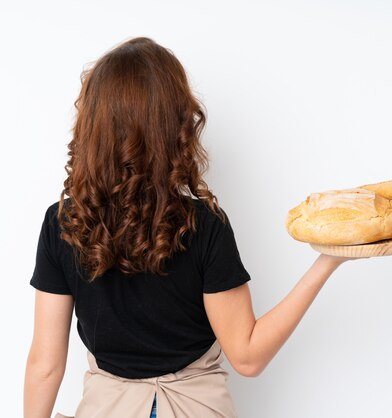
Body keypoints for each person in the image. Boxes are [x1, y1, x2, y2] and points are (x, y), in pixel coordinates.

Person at [23, 36, 362, 418]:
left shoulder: (63, 224)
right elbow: (247, 358)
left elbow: (45, 365)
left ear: (92, 126)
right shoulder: (204, 225)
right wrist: (326, 262)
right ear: (176, 124)